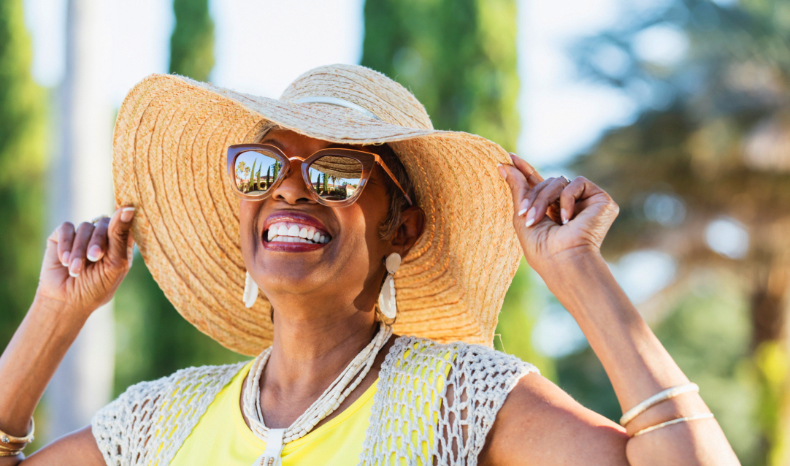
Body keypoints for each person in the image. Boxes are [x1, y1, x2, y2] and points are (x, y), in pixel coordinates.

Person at [0, 64, 740, 465]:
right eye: (262, 168)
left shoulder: (463, 400)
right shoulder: (160, 421)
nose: (290, 186)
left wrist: (579, 273)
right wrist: (54, 316)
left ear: (402, 227)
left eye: (336, 174)